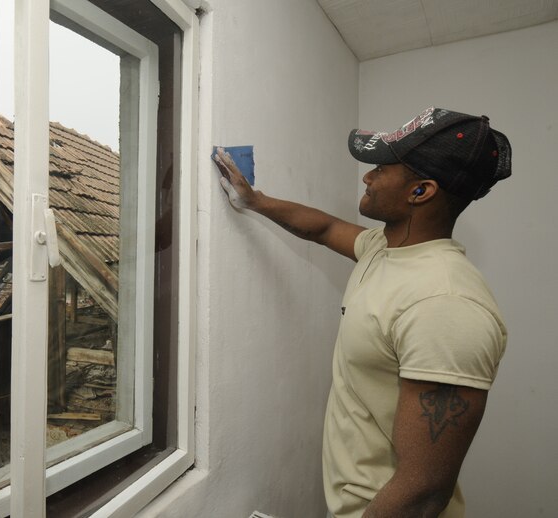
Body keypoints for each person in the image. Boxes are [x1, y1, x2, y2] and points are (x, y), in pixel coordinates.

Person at [213, 106, 510, 518]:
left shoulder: (444, 305)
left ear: (420, 191)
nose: (368, 176)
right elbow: (323, 229)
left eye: (382, 168)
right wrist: (255, 201)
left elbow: (423, 491)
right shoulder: (385, 249)